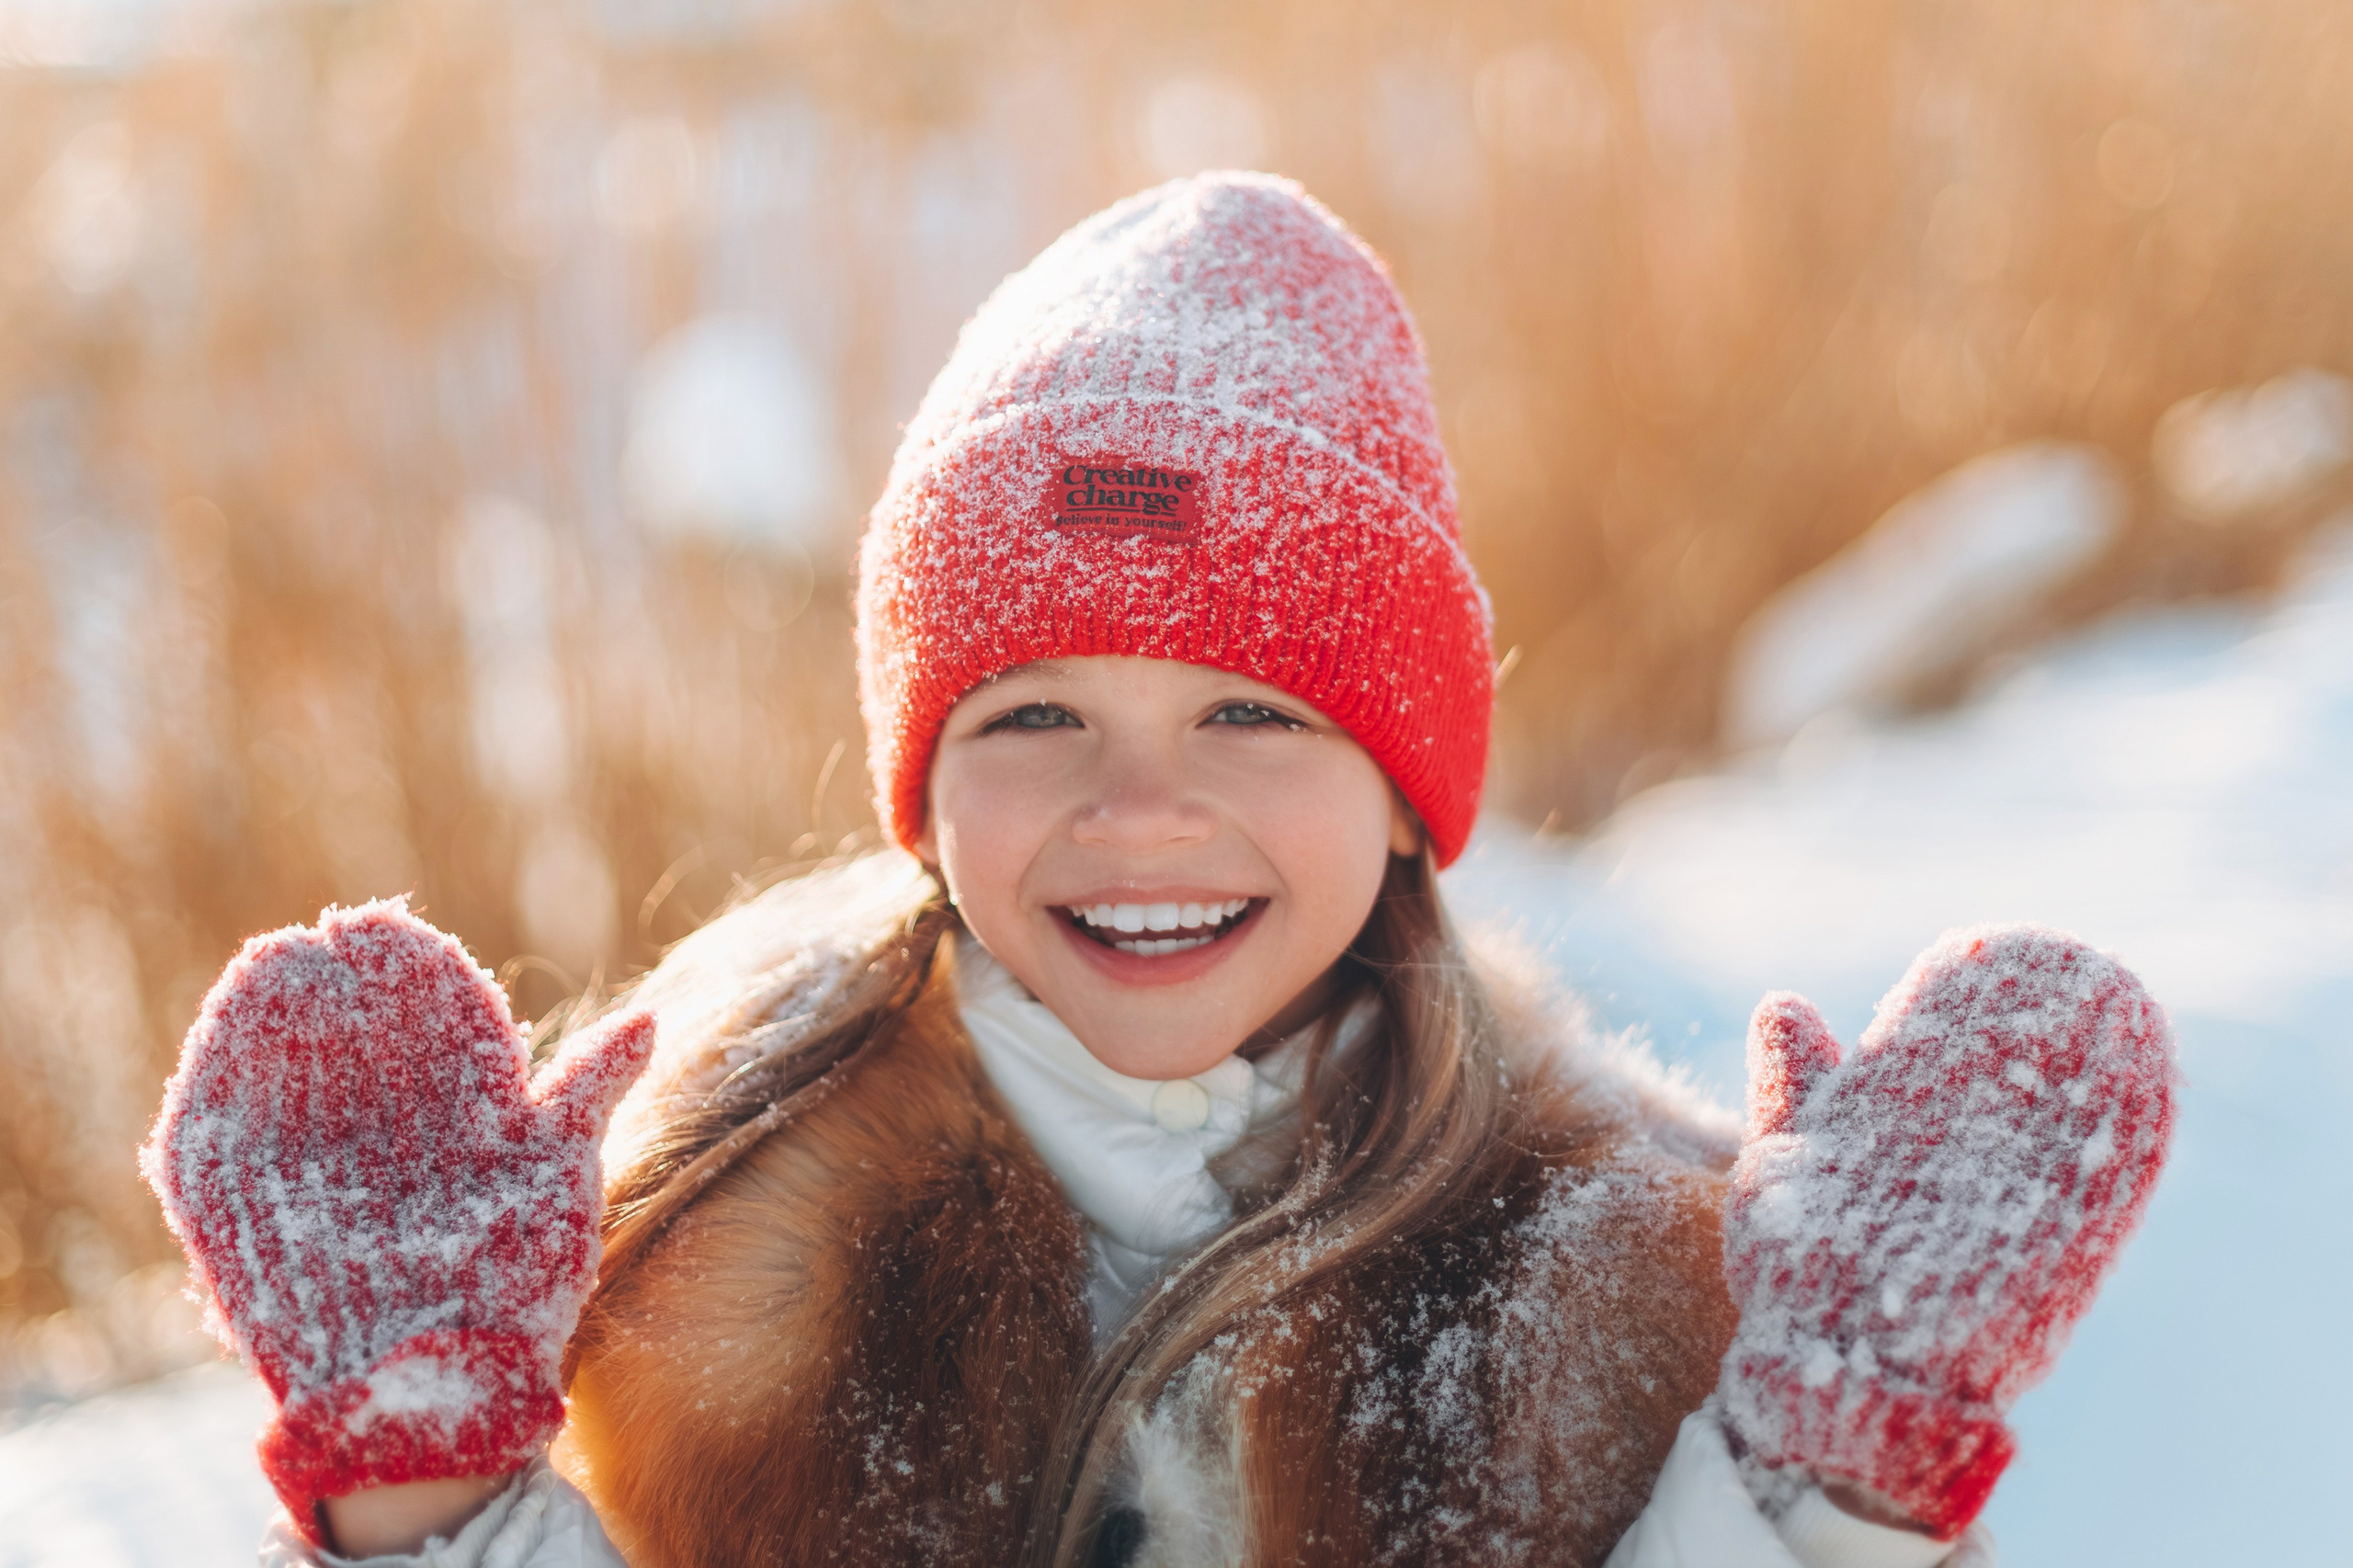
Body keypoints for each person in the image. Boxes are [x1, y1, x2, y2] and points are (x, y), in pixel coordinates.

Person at [142, 173, 2177, 1568]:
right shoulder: (680, 1243)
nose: (1136, 812)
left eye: (1249, 715)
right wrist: (431, 1482)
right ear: (919, 789)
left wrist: (1813, 1487)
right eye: (1032, 718)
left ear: (1403, 793)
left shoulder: (1621, 1270)